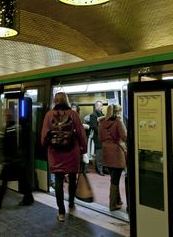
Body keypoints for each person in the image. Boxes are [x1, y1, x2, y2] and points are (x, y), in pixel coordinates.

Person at [41, 92, 87, 222]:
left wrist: (46, 146)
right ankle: (71, 203)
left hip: (55, 153)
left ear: (55, 100)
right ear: (66, 100)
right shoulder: (73, 114)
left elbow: (44, 136)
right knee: (72, 178)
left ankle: (61, 212)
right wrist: (83, 149)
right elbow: (81, 133)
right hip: (72, 152)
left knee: (59, 181)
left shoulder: (49, 115)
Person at [0, 109, 34, 209]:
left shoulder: (9, 128)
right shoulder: (16, 127)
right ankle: (28, 198)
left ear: (8, 116)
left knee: (5, 181)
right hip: (18, 160)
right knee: (22, 180)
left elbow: (9, 145)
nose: (3, 117)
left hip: (12, 161)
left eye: (4, 115)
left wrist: (6, 158)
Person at [98, 104, 127, 211]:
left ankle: (118, 200)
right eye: (119, 111)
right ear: (116, 112)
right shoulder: (118, 122)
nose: (120, 113)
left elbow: (100, 137)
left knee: (113, 177)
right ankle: (112, 204)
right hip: (117, 153)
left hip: (106, 152)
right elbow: (124, 136)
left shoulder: (101, 123)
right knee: (115, 179)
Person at [90, 100, 105, 176]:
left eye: (102, 106)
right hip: (98, 137)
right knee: (99, 154)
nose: (102, 107)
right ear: (96, 106)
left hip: (102, 136)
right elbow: (94, 126)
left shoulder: (102, 114)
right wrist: (102, 132)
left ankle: (100, 168)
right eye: (100, 106)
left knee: (101, 154)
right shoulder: (93, 115)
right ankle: (99, 169)